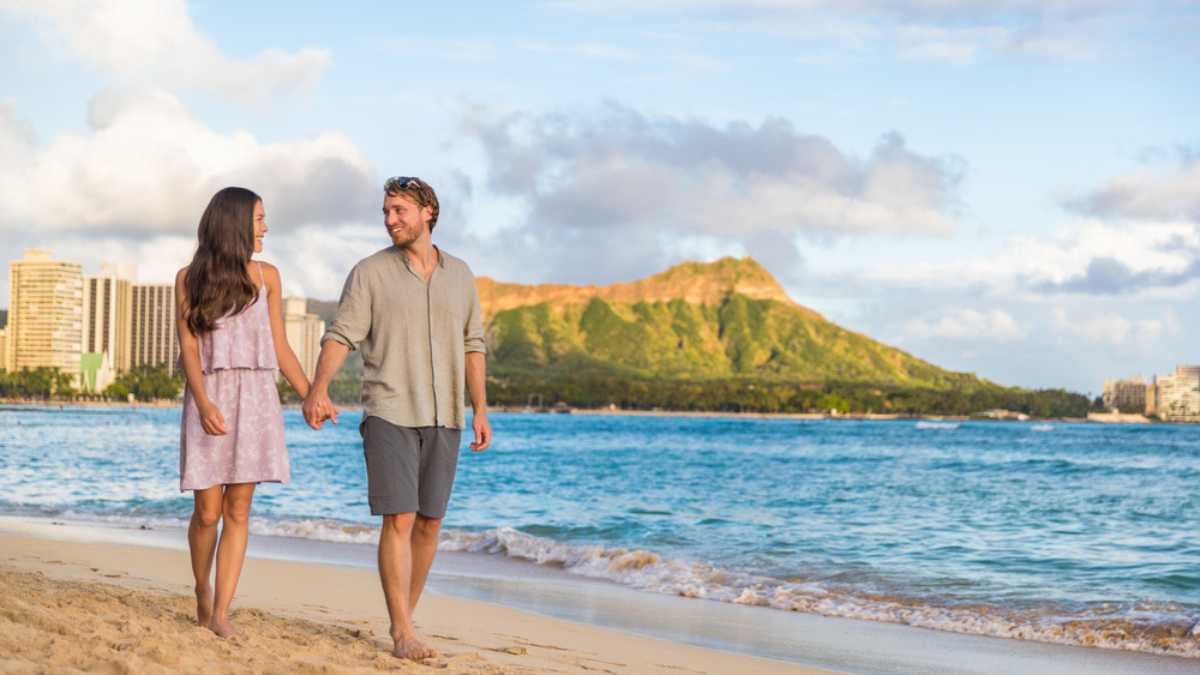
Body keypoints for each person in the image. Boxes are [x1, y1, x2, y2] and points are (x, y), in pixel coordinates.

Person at [302, 176, 491, 661]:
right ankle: (403, 631)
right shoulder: (369, 273)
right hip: (389, 410)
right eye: (386, 211)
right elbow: (340, 335)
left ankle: (403, 618)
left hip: (445, 413)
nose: (390, 220)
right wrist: (318, 389)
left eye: (399, 210)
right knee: (400, 517)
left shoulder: (461, 274)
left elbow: (473, 345)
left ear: (428, 211)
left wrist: (481, 410)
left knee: (430, 522)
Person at [175, 186, 311, 638]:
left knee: (238, 509)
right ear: (235, 223)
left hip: (255, 398)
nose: (266, 227)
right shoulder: (188, 279)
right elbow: (190, 350)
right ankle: (201, 589)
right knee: (208, 512)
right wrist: (204, 402)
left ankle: (222, 613)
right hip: (209, 396)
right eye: (259, 219)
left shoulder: (268, 276)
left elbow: (279, 346)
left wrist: (312, 393)